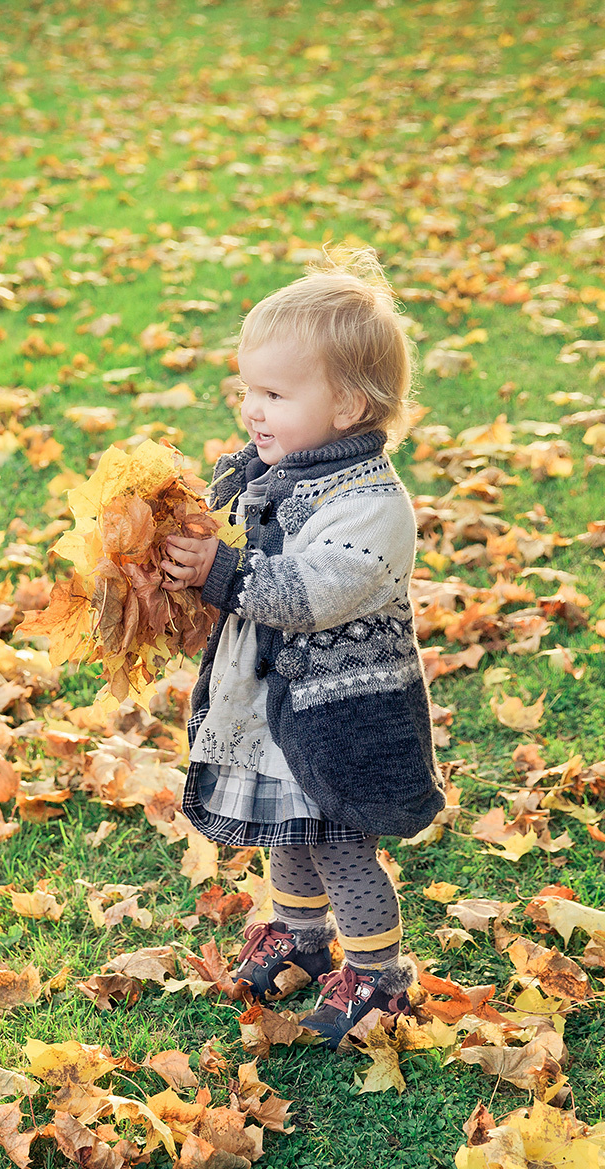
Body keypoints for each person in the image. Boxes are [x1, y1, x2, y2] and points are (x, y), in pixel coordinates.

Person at [158, 252, 442, 1049]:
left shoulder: (373, 503)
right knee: (285, 832)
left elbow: (311, 590)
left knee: (340, 844)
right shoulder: (280, 470)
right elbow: (239, 533)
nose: (251, 409)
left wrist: (221, 571)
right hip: (279, 704)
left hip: (340, 713)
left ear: (348, 404)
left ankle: (379, 975)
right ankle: (300, 934)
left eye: (275, 395)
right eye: (248, 388)